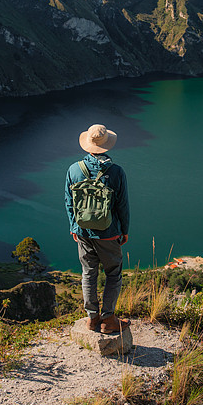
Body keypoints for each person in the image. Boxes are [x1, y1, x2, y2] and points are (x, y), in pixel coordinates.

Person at [65, 124, 131, 334]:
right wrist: (124, 230)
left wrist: (73, 226)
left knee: (88, 273)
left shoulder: (74, 169)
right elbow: (122, 205)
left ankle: (92, 319)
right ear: (106, 146)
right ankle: (108, 319)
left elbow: (69, 203)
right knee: (113, 273)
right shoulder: (116, 172)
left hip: (83, 231)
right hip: (108, 233)